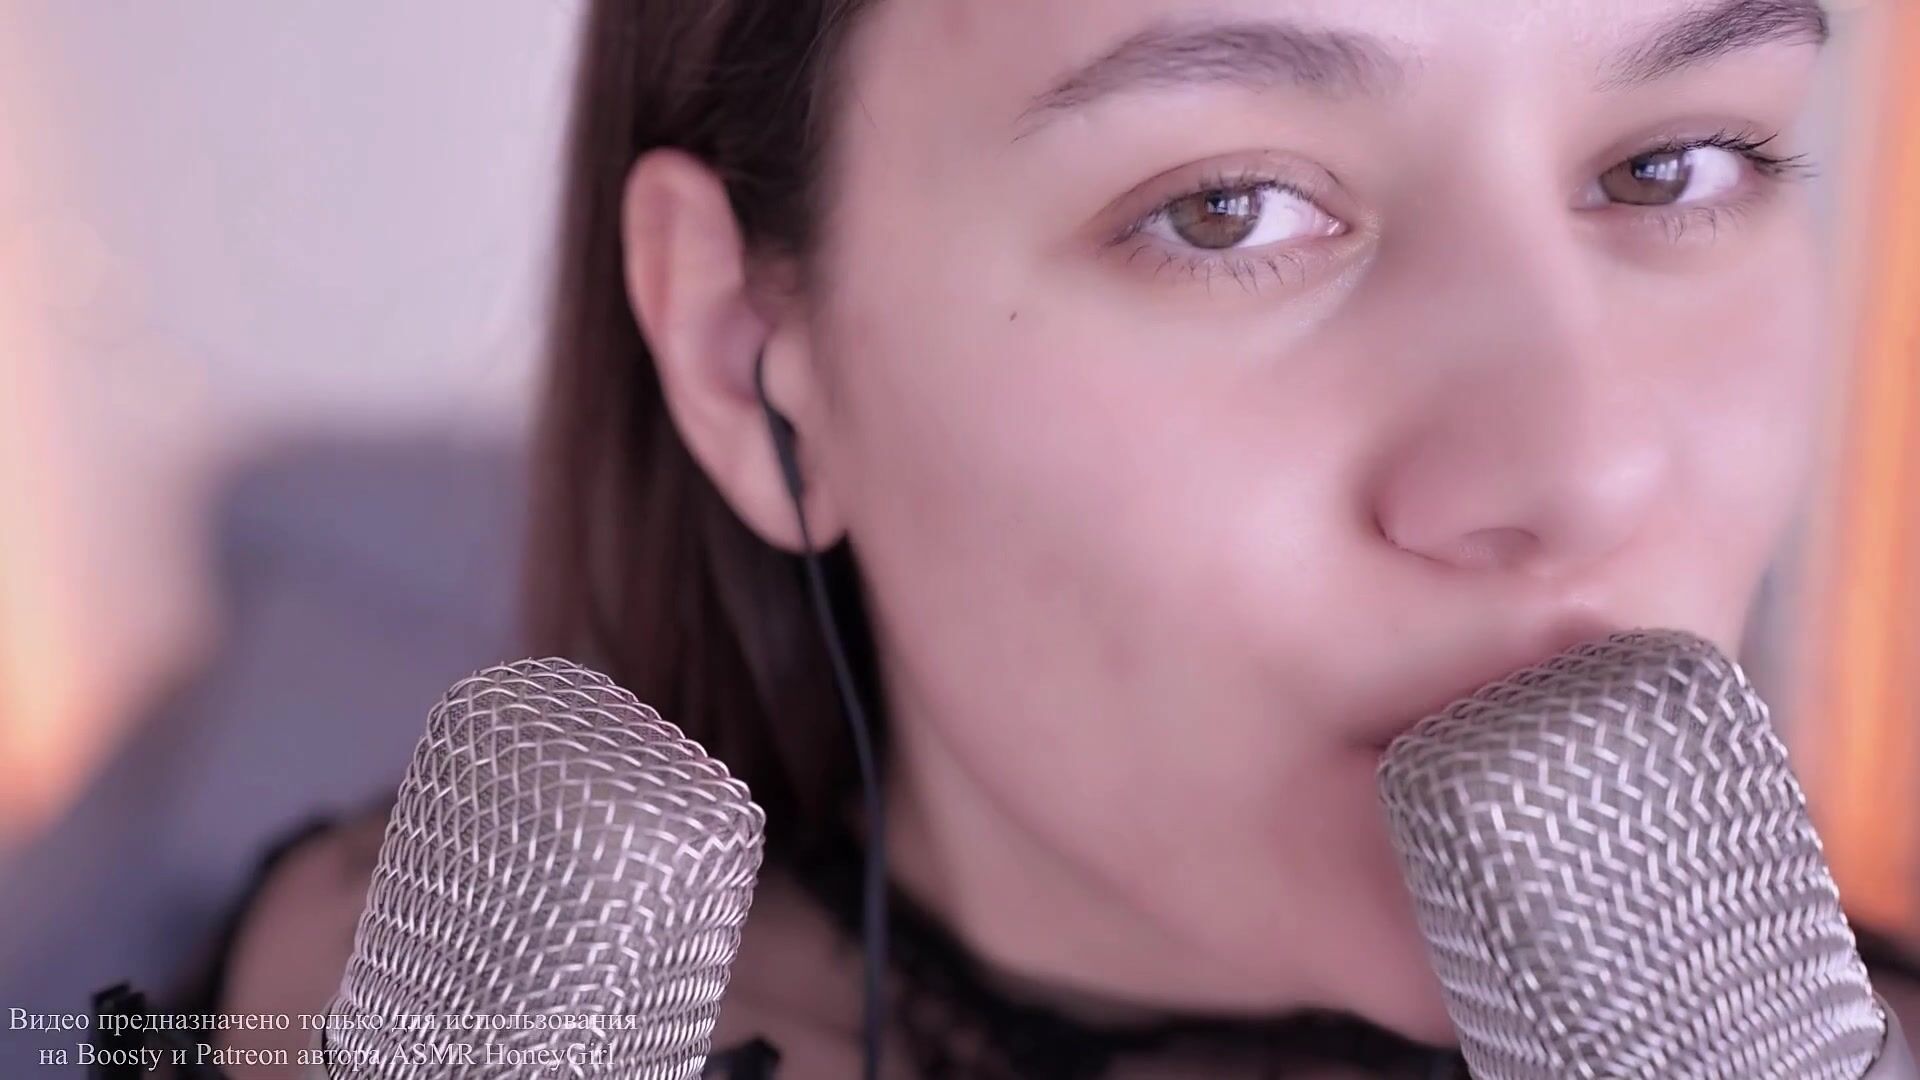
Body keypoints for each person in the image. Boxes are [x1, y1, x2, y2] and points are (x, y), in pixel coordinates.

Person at [207, 0, 1920, 1076]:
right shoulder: (417, 1009)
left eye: (1676, 165)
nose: (1582, 470)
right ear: (746, 354)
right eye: (1224, 209)